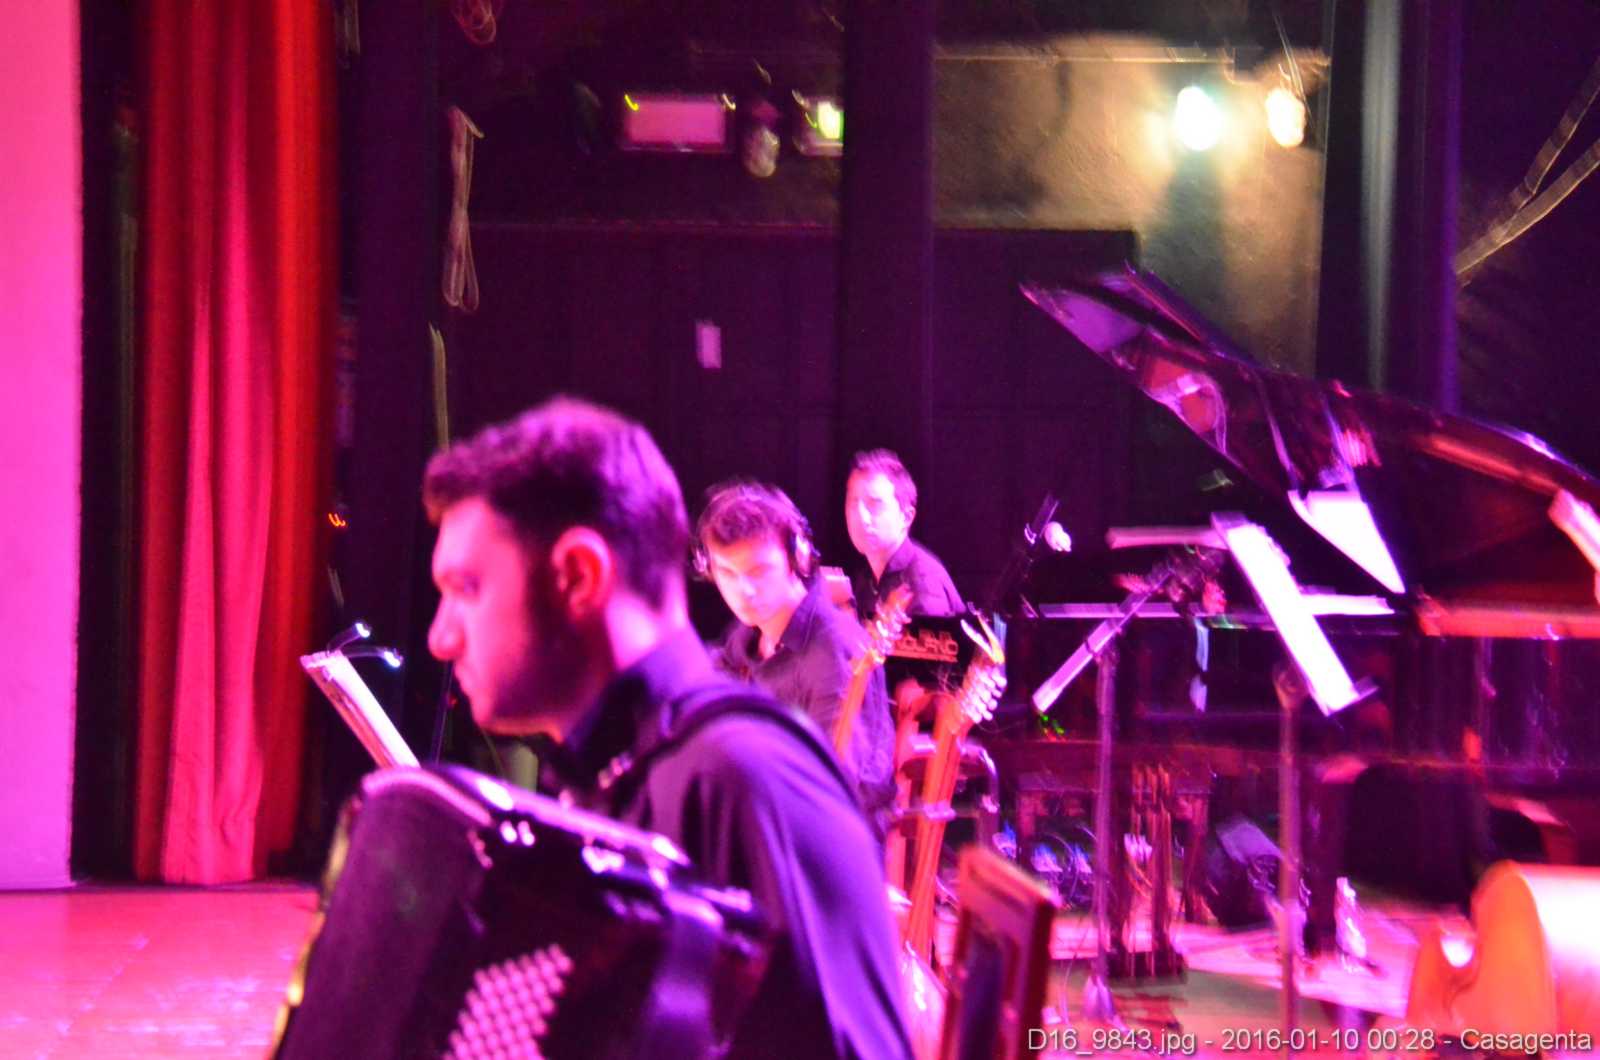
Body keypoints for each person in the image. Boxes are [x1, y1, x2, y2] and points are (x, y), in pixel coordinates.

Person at [423, 397, 913, 1060]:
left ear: (578, 576)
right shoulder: (613, 773)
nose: (440, 636)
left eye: (466, 589)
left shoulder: (746, 780)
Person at [694, 480, 896, 833]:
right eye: (727, 573)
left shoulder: (836, 651)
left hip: (827, 846)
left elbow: (831, 786)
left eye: (758, 571)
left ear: (797, 558)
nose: (744, 590)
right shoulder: (748, 639)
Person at [844, 448, 963, 621]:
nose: (861, 517)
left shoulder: (923, 586)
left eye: (875, 504)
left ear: (906, 517)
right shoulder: (866, 580)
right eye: (854, 503)